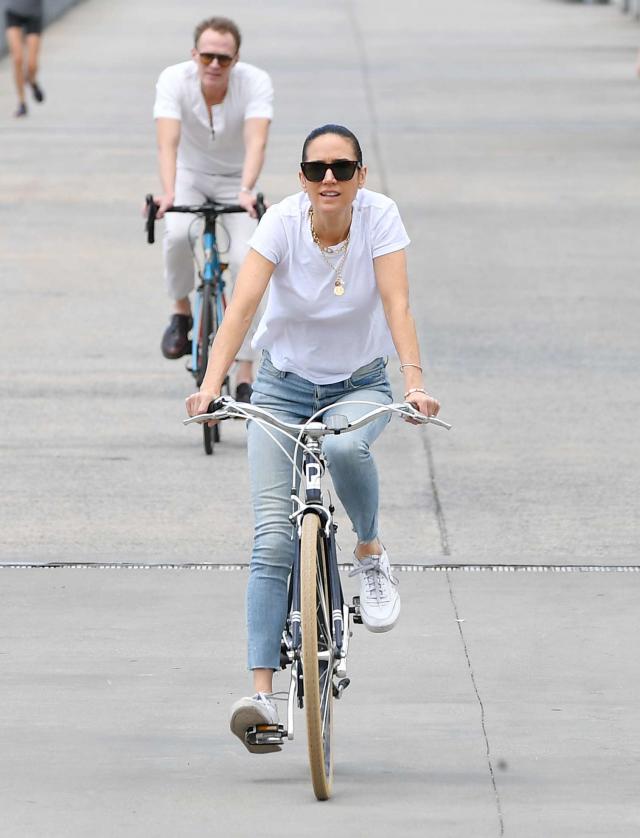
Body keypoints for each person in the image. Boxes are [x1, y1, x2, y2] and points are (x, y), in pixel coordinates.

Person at [185, 124, 441, 751]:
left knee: (348, 445)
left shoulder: (380, 218)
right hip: (281, 386)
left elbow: (397, 303)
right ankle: (262, 697)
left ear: (360, 177)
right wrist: (211, 386)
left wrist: (413, 384)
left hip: (359, 383)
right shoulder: (280, 224)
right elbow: (242, 307)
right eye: (318, 168)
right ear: (301, 177)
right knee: (272, 540)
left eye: (343, 169)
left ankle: (371, 554)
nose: (330, 178)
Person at [153, 16, 273, 402]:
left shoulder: (255, 83)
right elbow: (167, 143)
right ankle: (181, 312)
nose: (215, 65)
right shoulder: (173, 80)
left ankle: (245, 367)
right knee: (175, 233)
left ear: (236, 59)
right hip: (188, 175)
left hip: (236, 180)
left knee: (247, 260)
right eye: (207, 57)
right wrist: (169, 194)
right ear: (194, 55)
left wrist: (246, 189)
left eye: (224, 58)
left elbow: (257, 142)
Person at [5, 0, 45, 118]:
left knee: (32, 64)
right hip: (13, 12)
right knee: (17, 59)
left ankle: (32, 82)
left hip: (34, 14)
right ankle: (22, 103)